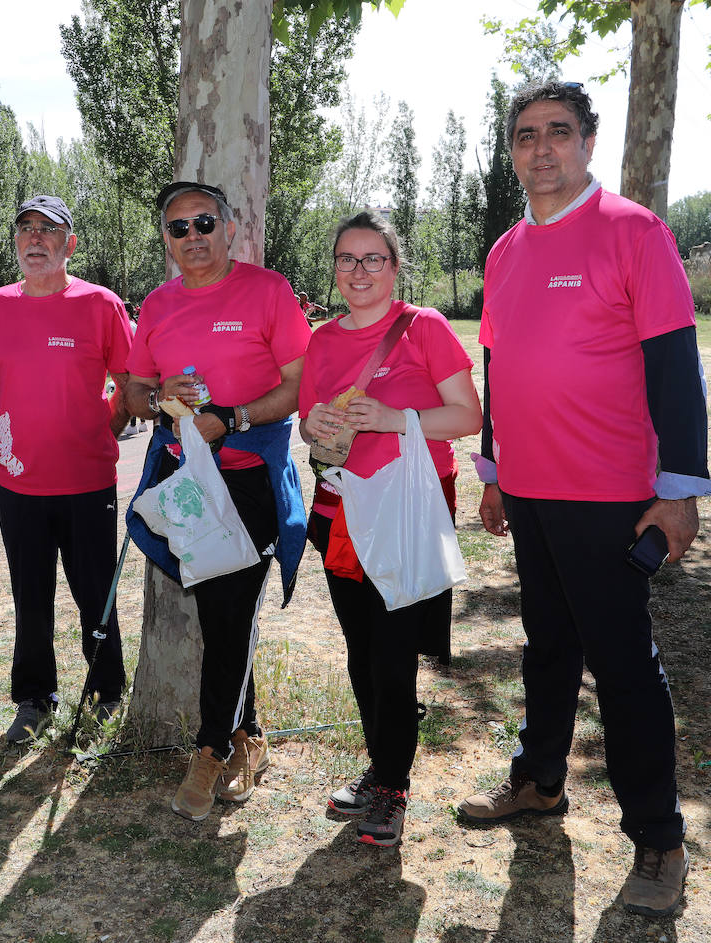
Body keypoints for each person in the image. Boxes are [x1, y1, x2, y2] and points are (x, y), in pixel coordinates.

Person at [456, 82, 711, 918]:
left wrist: (678, 493)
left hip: (610, 498)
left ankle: (660, 840)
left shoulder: (635, 233)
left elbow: (677, 368)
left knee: (625, 669)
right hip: (528, 492)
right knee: (547, 648)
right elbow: (499, 365)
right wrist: (494, 470)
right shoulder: (504, 252)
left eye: (558, 133)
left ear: (588, 142)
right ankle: (538, 781)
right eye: (526, 135)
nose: (541, 150)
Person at [124, 181, 311, 822]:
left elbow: (297, 386)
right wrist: (159, 399)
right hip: (186, 482)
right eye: (178, 228)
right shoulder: (155, 305)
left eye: (204, 222)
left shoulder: (268, 291)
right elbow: (134, 395)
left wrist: (229, 418)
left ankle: (209, 748)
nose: (192, 236)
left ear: (229, 228)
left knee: (228, 611)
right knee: (220, 610)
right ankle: (245, 737)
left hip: (250, 475)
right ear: (166, 241)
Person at [299, 211, 481, 847]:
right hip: (339, 510)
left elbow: (467, 415)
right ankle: (381, 767)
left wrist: (394, 416)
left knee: (392, 654)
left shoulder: (422, 327)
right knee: (358, 650)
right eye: (347, 259)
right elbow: (306, 426)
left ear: (395, 266)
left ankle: (394, 789)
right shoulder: (321, 341)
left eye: (373, 258)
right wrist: (319, 428)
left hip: (404, 512)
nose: (359, 271)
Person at [0, 195, 133, 744]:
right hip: (18, 483)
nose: (35, 239)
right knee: (30, 594)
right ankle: (34, 698)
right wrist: (17, 427)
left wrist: (100, 429)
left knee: (96, 592)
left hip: (88, 481)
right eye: (25, 229)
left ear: (69, 243)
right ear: (16, 242)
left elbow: (130, 384)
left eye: (48, 230)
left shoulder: (100, 304)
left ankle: (106, 692)